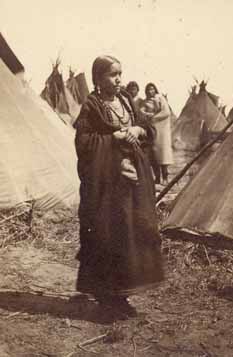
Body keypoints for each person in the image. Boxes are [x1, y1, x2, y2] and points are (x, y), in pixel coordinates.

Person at [74, 56, 164, 317]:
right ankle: (106, 297)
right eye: (113, 75)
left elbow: (148, 127)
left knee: (130, 233)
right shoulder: (92, 106)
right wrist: (111, 138)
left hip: (132, 181)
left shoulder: (126, 100)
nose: (118, 79)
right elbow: (83, 143)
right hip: (107, 185)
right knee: (107, 234)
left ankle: (122, 294)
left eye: (120, 74)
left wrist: (138, 130)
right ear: (98, 78)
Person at [140, 82, 174, 185]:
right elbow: (141, 111)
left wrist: (154, 117)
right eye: (148, 89)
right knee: (153, 155)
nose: (151, 91)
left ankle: (165, 177)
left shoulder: (161, 98)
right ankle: (157, 177)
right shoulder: (145, 102)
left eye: (152, 89)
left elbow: (166, 112)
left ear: (155, 89)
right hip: (152, 129)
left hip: (162, 129)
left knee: (163, 153)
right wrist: (147, 114)